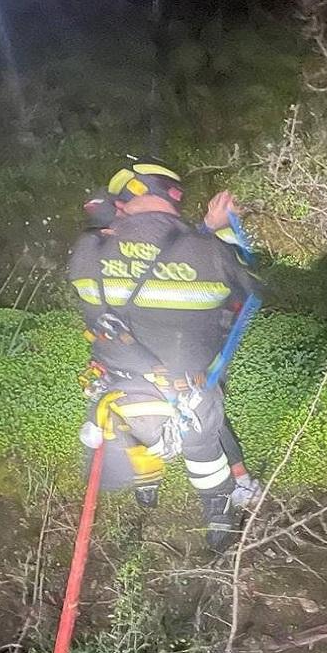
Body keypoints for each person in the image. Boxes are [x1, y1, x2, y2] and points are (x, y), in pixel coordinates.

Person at [68, 159, 260, 550]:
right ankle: (218, 517)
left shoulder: (87, 251)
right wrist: (217, 231)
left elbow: (122, 267)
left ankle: (147, 489)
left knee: (129, 436)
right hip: (186, 394)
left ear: (124, 200)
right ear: (173, 199)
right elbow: (250, 286)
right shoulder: (208, 251)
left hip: (117, 393)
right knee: (205, 452)